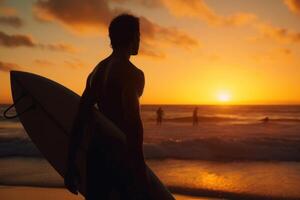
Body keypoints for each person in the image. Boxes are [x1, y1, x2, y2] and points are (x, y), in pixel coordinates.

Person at [64, 14, 150, 200]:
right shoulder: (132, 73)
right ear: (134, 36)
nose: (140, 41)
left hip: (95, 157)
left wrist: (70, 165)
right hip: (120, 159)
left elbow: (80, 118)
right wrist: (141, 175)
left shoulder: (97, 71)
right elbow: (133, 125)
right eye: (139, 36)